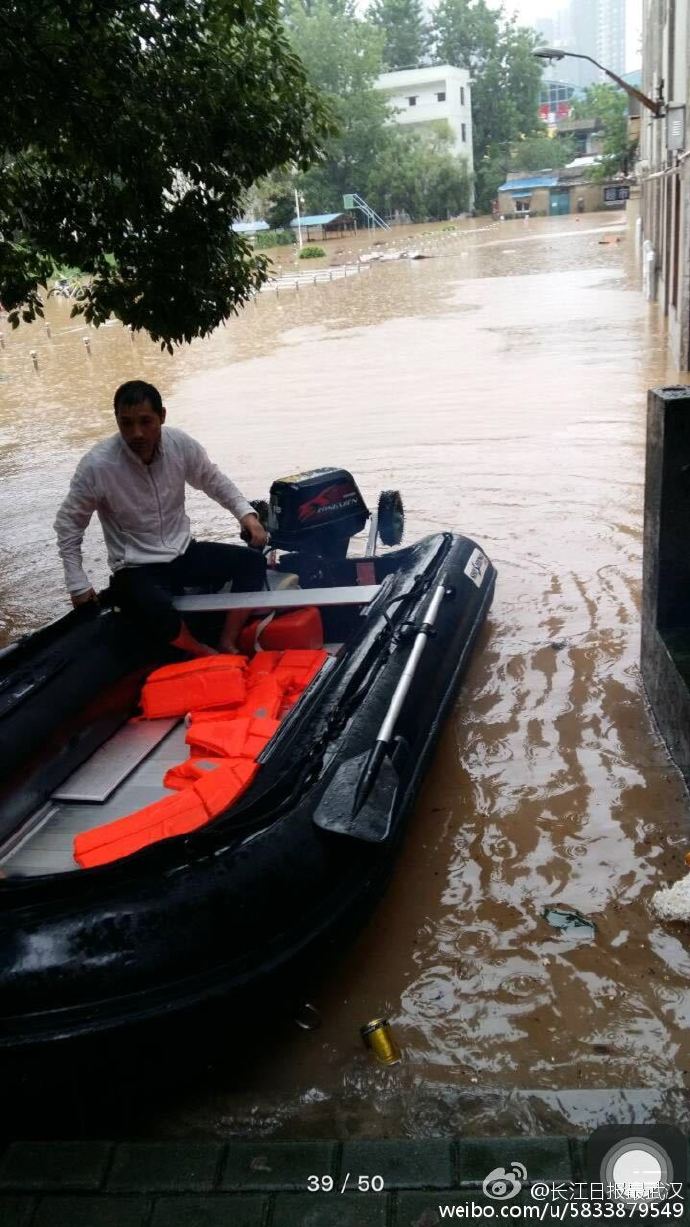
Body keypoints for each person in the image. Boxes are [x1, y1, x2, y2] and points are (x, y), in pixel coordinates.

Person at [54, 379, 268, 656]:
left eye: (146, 421)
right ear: (117, 420)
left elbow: (212, 480)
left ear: (162, 416)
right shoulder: (97, 466)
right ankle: (203, 652)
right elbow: (68, 525)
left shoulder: (179, 444)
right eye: (126, 423)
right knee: (153, 605)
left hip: (183, 552)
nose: (137, 433)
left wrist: (246, 515)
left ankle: (228, 640)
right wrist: (78, 583)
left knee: (252, 563)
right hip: (136, 566)